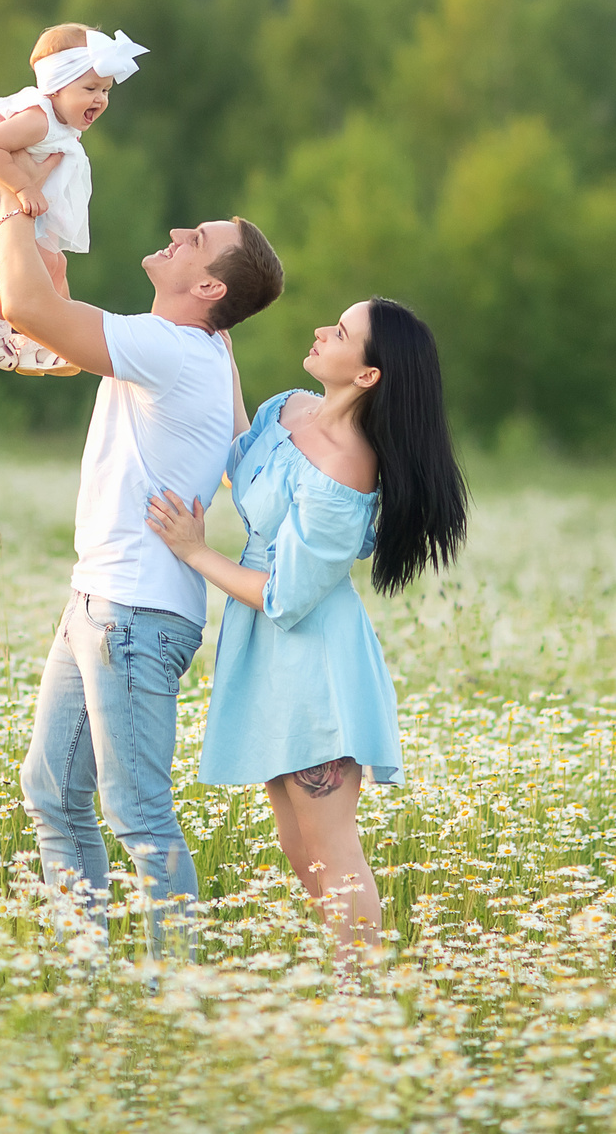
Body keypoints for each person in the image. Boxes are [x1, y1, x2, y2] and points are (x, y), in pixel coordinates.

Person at [0, 208, 285, 955]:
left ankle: (173, 996)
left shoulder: (177, 347)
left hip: (132, 614)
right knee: (53, 792)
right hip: (103, 601)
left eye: (200, 240)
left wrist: (10, 197)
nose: (182, 231)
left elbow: (29, 309)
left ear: (209, 286)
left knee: (139, 814)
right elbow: (47, 314)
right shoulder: (208, 346)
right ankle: (84, 972)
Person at [144, 297, 468, 964]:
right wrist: (218, 350)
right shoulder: (289, 409)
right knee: (297, 842)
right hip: (269, 658)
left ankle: (362, 994)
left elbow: (287, 597)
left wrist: (196, 552)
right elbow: (244, 457)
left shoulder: (347, 467)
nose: (323, 330)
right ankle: (346, 974)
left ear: (369, 375)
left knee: (329, 843)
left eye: (342, 332)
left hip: (313, 659)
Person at [0, 23, 147, 375]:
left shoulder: (59, 122)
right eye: (90, 88)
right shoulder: (39, 119)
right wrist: (23, 188)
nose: (100, 99)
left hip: (17, 215)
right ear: (56, 87)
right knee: (48, 267)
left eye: (106, 90)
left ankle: (53, 339)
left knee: (56, 267)